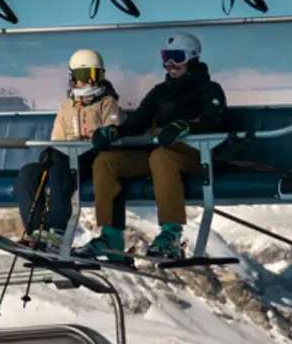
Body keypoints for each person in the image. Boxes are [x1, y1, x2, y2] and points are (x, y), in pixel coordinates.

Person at [76, 32, 227, 263]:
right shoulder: (160, 92)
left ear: (192, 58)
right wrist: (115, 131)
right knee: (107, 161)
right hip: (158, 154)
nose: (170, 64)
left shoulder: (210, 90)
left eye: (177, 57)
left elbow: (214, 120)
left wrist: (183, 127)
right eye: (166, 58)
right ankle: (111, 236)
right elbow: (139, 122)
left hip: (196, 155)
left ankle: (171, 234)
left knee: (161, 157)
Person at [15, 49, 123, 250]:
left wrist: (100, 138)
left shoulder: (107, 104)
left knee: (60, 169)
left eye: (95, 75)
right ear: (73, 78)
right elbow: (57, 138)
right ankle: (35, 229)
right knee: (27, 173)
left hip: (92, 159)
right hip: (65, 156)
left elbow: (114, 133)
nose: (89, 82)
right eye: (84, 76)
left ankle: (57, 230)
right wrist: (50, 152)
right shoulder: (66, 106)